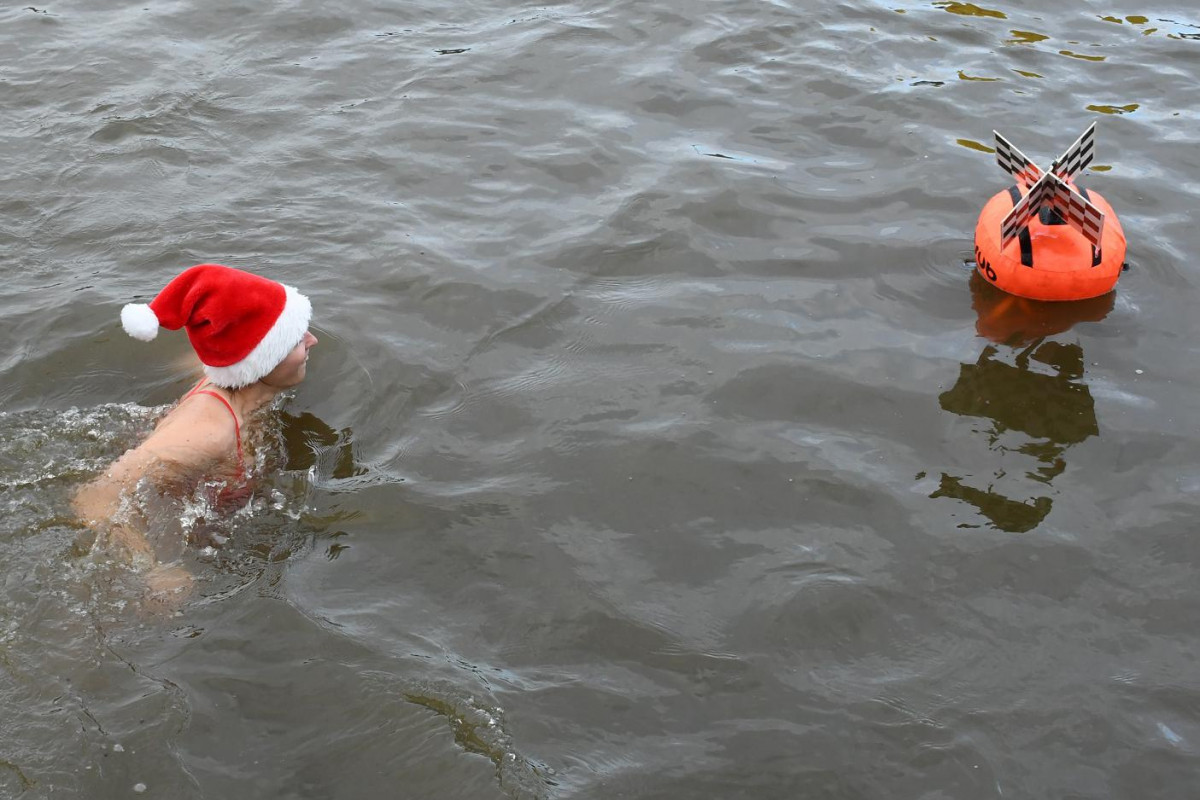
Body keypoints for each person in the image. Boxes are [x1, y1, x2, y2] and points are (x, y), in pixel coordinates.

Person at [73, 263, 317, 606]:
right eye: (295, 340)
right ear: (262, 360)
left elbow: (210, 351)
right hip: (169, 526)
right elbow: (93, 497)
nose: (313, 340)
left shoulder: (227, 374)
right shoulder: (210, 431)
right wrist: (151, 570)